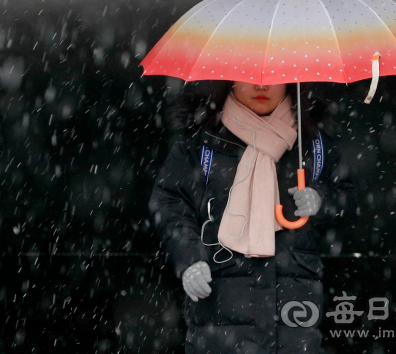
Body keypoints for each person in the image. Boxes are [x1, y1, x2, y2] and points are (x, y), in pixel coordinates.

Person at [148, 80, 357, 354]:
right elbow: (170, 203)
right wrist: (190, 259)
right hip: (219, 311)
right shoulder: (202, 146)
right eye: (249, 76)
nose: (261, 85)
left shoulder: (313, 146)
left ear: (290, 81)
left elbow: (348, 198)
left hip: (294, 314)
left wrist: (321, 199)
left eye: (273, 76)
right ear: (230, 81)